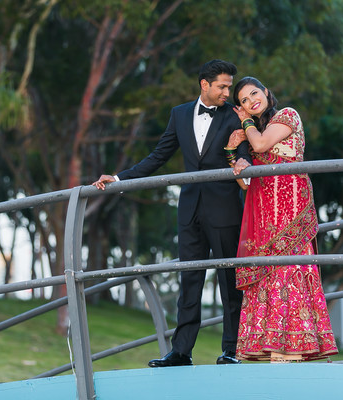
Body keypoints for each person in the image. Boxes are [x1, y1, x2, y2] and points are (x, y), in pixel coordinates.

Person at [92, 59, 250, 366]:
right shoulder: (179, 114)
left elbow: (243, 155)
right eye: (223, 86)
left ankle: (231, 350)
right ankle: (181, 351)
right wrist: (120, 178)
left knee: (229, 281)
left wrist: (242, 163)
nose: (227, 91)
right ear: (204, 84)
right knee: (189, 279)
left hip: (226, 208)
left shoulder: (234, 115)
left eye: (229, 86)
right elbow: (159, 155)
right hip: (190, 209)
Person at [228, 76, 338, 363]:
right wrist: (234, 155)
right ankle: (272, 347)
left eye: (254, 93)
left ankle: (297, 348)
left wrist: (246, 125)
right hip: (265, 217)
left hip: (291, 211)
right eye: (243, 101)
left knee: (291, 270)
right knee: (269, 273)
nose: (251, 100)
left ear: (265, 92)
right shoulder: (256, 132)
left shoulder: (287, 115)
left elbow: (263, 144)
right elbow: (245, 184)